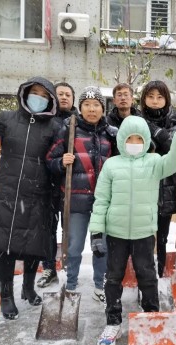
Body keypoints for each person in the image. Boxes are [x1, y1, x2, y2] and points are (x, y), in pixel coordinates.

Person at [88, 115, 176, 345]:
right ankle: (113, 322)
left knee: (147, 276)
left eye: (139, 138)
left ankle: (151, 317)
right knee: (112, 278)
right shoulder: (112, 165)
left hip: (143, 232)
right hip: (116, 233)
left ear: (146, 140)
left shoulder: (153, 162)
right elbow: (101, 200)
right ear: (122, 139)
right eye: (130, 138)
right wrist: (96, 232)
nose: (134, 142)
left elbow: (175, 160)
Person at [0, 76, 58, 320]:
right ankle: (7, 295)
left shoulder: (54, 127)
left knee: (32, 245)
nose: (39, 98)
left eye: (44, 95)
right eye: (35, 93)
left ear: (50, 100)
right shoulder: (7, 118)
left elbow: (54, 158)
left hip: (37, 191)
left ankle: (28, 287)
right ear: (24, 94)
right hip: (7, 191)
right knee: (7, 245)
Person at [46, 86, 118, 303]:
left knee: (101, 247)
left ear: (103, 109)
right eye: (87, 105)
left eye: (96, 105)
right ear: (81, 107)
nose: (92, 109)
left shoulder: (111, 134)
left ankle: (99, 284)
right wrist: (61, 162)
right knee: (74, 245)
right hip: (75, 200)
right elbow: (50, 160)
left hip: (103, 202)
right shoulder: (68, 130)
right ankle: (70, 284)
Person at [37, 81, 79, 288]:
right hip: (47, 183)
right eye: (60, 94)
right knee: (47, 229)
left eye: (67, 95)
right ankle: (49, 267)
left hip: (71, 186)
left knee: (69, 229)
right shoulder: (44, 120)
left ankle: (70, 270)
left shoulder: (78, 122)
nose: (64, 97)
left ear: (73, 99)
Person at [139, 80, 176, 278]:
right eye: (150, 97)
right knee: (144, 236)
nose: (155, 101)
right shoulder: (136, 119)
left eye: (159, 97)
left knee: (162, 236)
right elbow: (139, 147)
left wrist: (155, 131)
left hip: (166, 186)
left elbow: (173, 146)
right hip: (143, 185)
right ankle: (145, 273)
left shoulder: (174, 120)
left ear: (166, 99)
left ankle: (161, 272)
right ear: (144, 99)